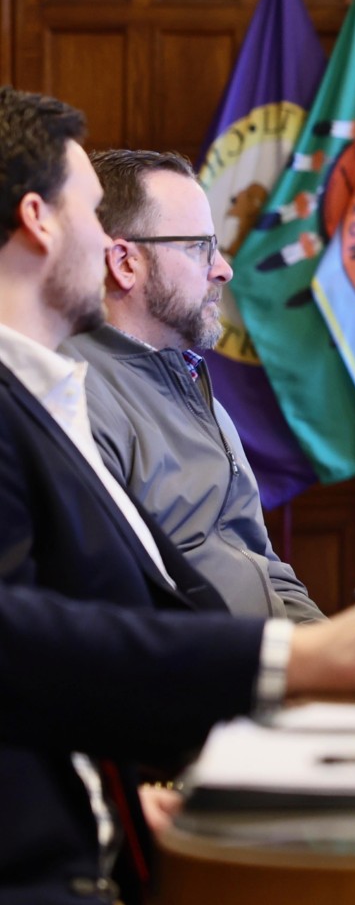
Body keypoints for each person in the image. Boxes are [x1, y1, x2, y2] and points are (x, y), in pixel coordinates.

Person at [0, 88, 355, 905]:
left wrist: (119, 788)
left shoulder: (74, 390)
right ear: (40, 220)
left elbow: (109, 622)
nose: (223, 266)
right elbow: (27, 640)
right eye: (86, 213)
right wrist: (298, 660)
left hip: (149, 802)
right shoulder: (42, 401)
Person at [64, 149, 322, 623]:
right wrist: (293, 665)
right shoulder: (75, 398)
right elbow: (128, 619)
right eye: (199, 246)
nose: (224, 268)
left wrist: (333, 662)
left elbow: (267, 569)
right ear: (124, 262)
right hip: (212, 686)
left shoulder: (194, 387)